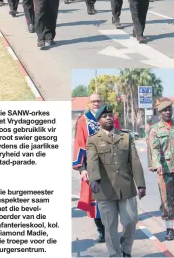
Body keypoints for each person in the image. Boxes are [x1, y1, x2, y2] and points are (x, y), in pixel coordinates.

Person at [87, 104, 146, 257]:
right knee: (110, 226)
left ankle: (126, 249)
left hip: (126, 188)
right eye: (104, 116)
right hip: (105, 191)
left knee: (131, 221)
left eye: (110, 115)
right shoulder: (93, 140)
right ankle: (115, 254)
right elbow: (92, 162)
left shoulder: (126, 137)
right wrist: (94, 179)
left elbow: (135, 161)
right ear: (98, 120)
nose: (108, 118)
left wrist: (140, 184)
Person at [149, 100, 174, 240]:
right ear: (160, 113)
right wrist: (157, 163)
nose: (168, 112)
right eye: (164, 110)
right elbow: (154, 149)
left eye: (169, 109)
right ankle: (170, 228)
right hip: (164, 170)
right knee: (167, 200)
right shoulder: (155, 130)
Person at [73, 94, 105, 242]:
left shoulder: (111, 117)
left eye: (98, 101)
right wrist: (82, 169)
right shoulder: (83, 121)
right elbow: (79, 144)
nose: (96, 103)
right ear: (89, 103)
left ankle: (110, 228)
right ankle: (101, 231)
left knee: (112, 199)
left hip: (111, 166)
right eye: (93, 101)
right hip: (92, 167)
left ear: (102, 102)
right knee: (96, 200)